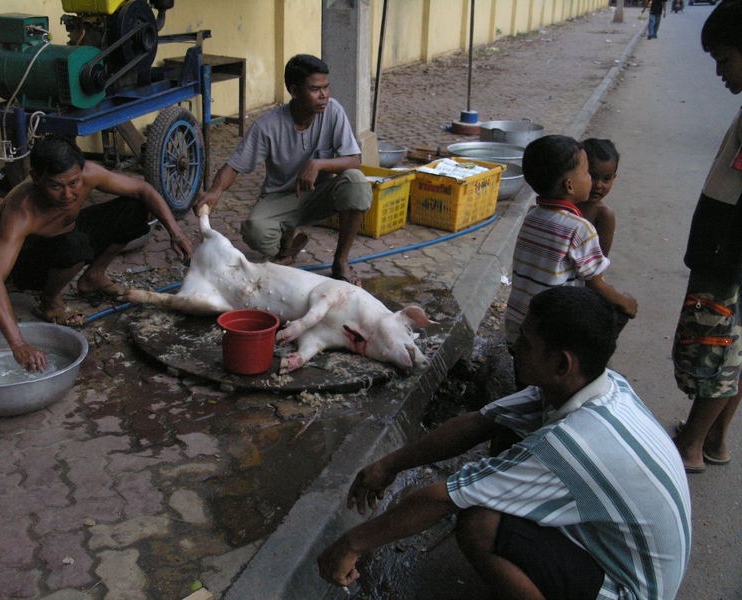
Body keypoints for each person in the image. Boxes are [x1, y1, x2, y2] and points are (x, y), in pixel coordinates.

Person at [318, 286, 691, 600]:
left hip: (632, 590)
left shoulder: (571, 444)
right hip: (622, 553)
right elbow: (480, 421)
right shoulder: (601, 386)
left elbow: (442, 497)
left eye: (526, 343)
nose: (514, 346)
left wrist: (350, 545)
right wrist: (388, 465)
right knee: (505, 436)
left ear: (562, 364)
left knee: (479, 521)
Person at [0, 135, 193, 372]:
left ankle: (94, 276)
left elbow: (143, 189)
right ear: (36, 178)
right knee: (76, 244)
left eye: (74, 183)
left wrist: (176, 233)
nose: (68, 195)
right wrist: (18, 344)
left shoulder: (88, 173)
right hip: (33, 264)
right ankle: (49, 302)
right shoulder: (21, 211)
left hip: (70, 234)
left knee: (135, 207)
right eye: (56, 186)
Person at [192, 54, 372, 285]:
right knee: (255, 232)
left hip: (320, 192)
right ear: (294, 91)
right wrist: (215, 190)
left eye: (326, 88)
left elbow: (354, 160)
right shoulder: (267, 125)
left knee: (356, 182)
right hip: (282, 197)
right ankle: (287, 245)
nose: (324, 95)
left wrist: (317, 164)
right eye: (315, 89)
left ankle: (341, 261)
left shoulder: (333, 111)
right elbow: (235, 165)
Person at [672, 0, 742, 473]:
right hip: (728, 248)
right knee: (732, 344)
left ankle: (691, 446)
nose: (718, 71)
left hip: (727, 249)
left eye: (724, 58)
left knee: (712, 344)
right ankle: (715, 438)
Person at [505, 135, 637, 346]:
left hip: (516, 322)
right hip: (551, 332)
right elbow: (595, 282)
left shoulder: (532, 216)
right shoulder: (579, 229)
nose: (594, 182)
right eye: (587, 173)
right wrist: (626, 302)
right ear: (569, 185)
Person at [581, 138, 619, 256]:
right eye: (592, 176)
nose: (598, 185)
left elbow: (600, 260)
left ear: (614, 178)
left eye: (606, 179)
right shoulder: (566, 200)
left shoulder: (604, 215)